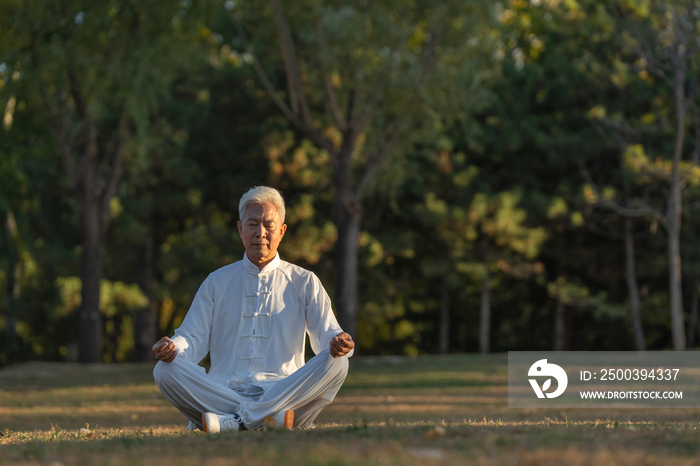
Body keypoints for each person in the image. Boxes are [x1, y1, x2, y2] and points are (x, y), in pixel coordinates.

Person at [152, 186, 355, 432]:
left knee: (338, 363)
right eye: (252, 224)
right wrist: (173, 348)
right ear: (240, 229)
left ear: (281, 231)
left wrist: (339, 343)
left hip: (283, 390)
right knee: (164, 370)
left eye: (269, 225)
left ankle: (233, 423)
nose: (260, 232)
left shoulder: (304, 281)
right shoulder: (217, 281)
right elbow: (192, 337)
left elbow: (328, 334)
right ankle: (271, 421)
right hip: (223, 391)